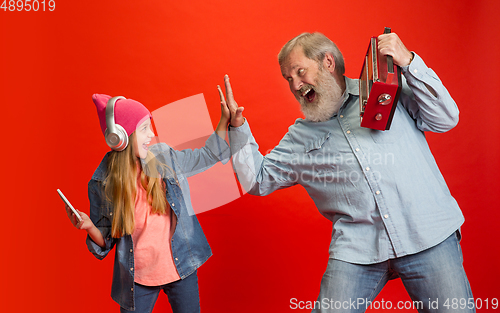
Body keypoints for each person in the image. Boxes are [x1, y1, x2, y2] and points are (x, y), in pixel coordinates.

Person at [219, 32, 474, 312]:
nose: (295, 85)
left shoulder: (387, 90)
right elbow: (257, 180)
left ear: (327, 61)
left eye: (300, 72)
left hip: (426, 233)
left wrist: (409, 62)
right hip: (358, 249)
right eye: (288, 79)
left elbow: (446, 118)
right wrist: (237, 127)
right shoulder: (301, 136)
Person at [64, 93, 231, 313]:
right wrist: (90, 227)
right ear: (120, 137)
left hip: (181, 266)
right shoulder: (102, 182)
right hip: (137, 277)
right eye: (144, 129)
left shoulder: (163, 158)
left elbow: (208, 154)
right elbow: (105, 242)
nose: (151, 135)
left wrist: (224, 121)